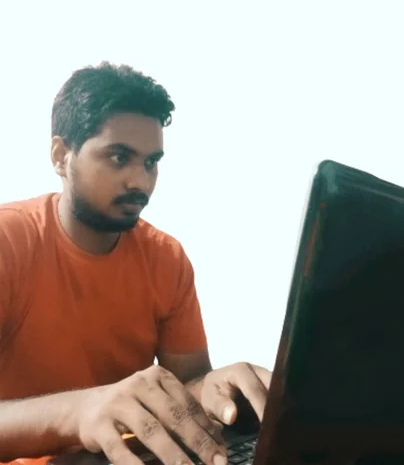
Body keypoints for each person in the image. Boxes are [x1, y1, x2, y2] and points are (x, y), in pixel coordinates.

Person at [0, 62, 271, 465]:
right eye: (118, 157)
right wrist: (80, 412)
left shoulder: (167, 259)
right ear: (61, 155)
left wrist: (217, 389)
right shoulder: (9, 242)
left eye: (150, 162)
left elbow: (185, 392)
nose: (140, 182)